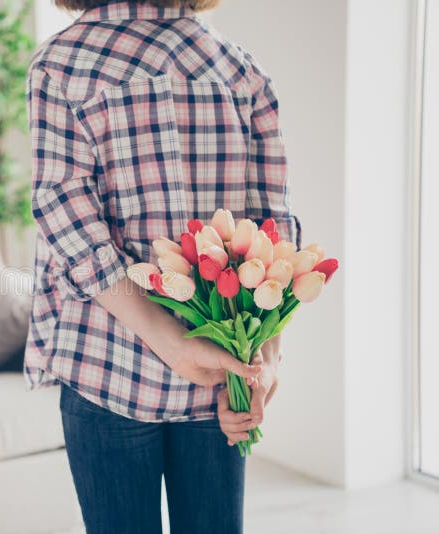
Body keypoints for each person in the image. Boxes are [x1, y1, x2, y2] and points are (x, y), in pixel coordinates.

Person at [24, 1, 301, 533]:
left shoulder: (60, 64)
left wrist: (170, 342)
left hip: (108, 363)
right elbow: (275, 230)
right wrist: (265, 359)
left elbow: (67, 218)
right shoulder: (241, 69)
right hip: (225, 373)